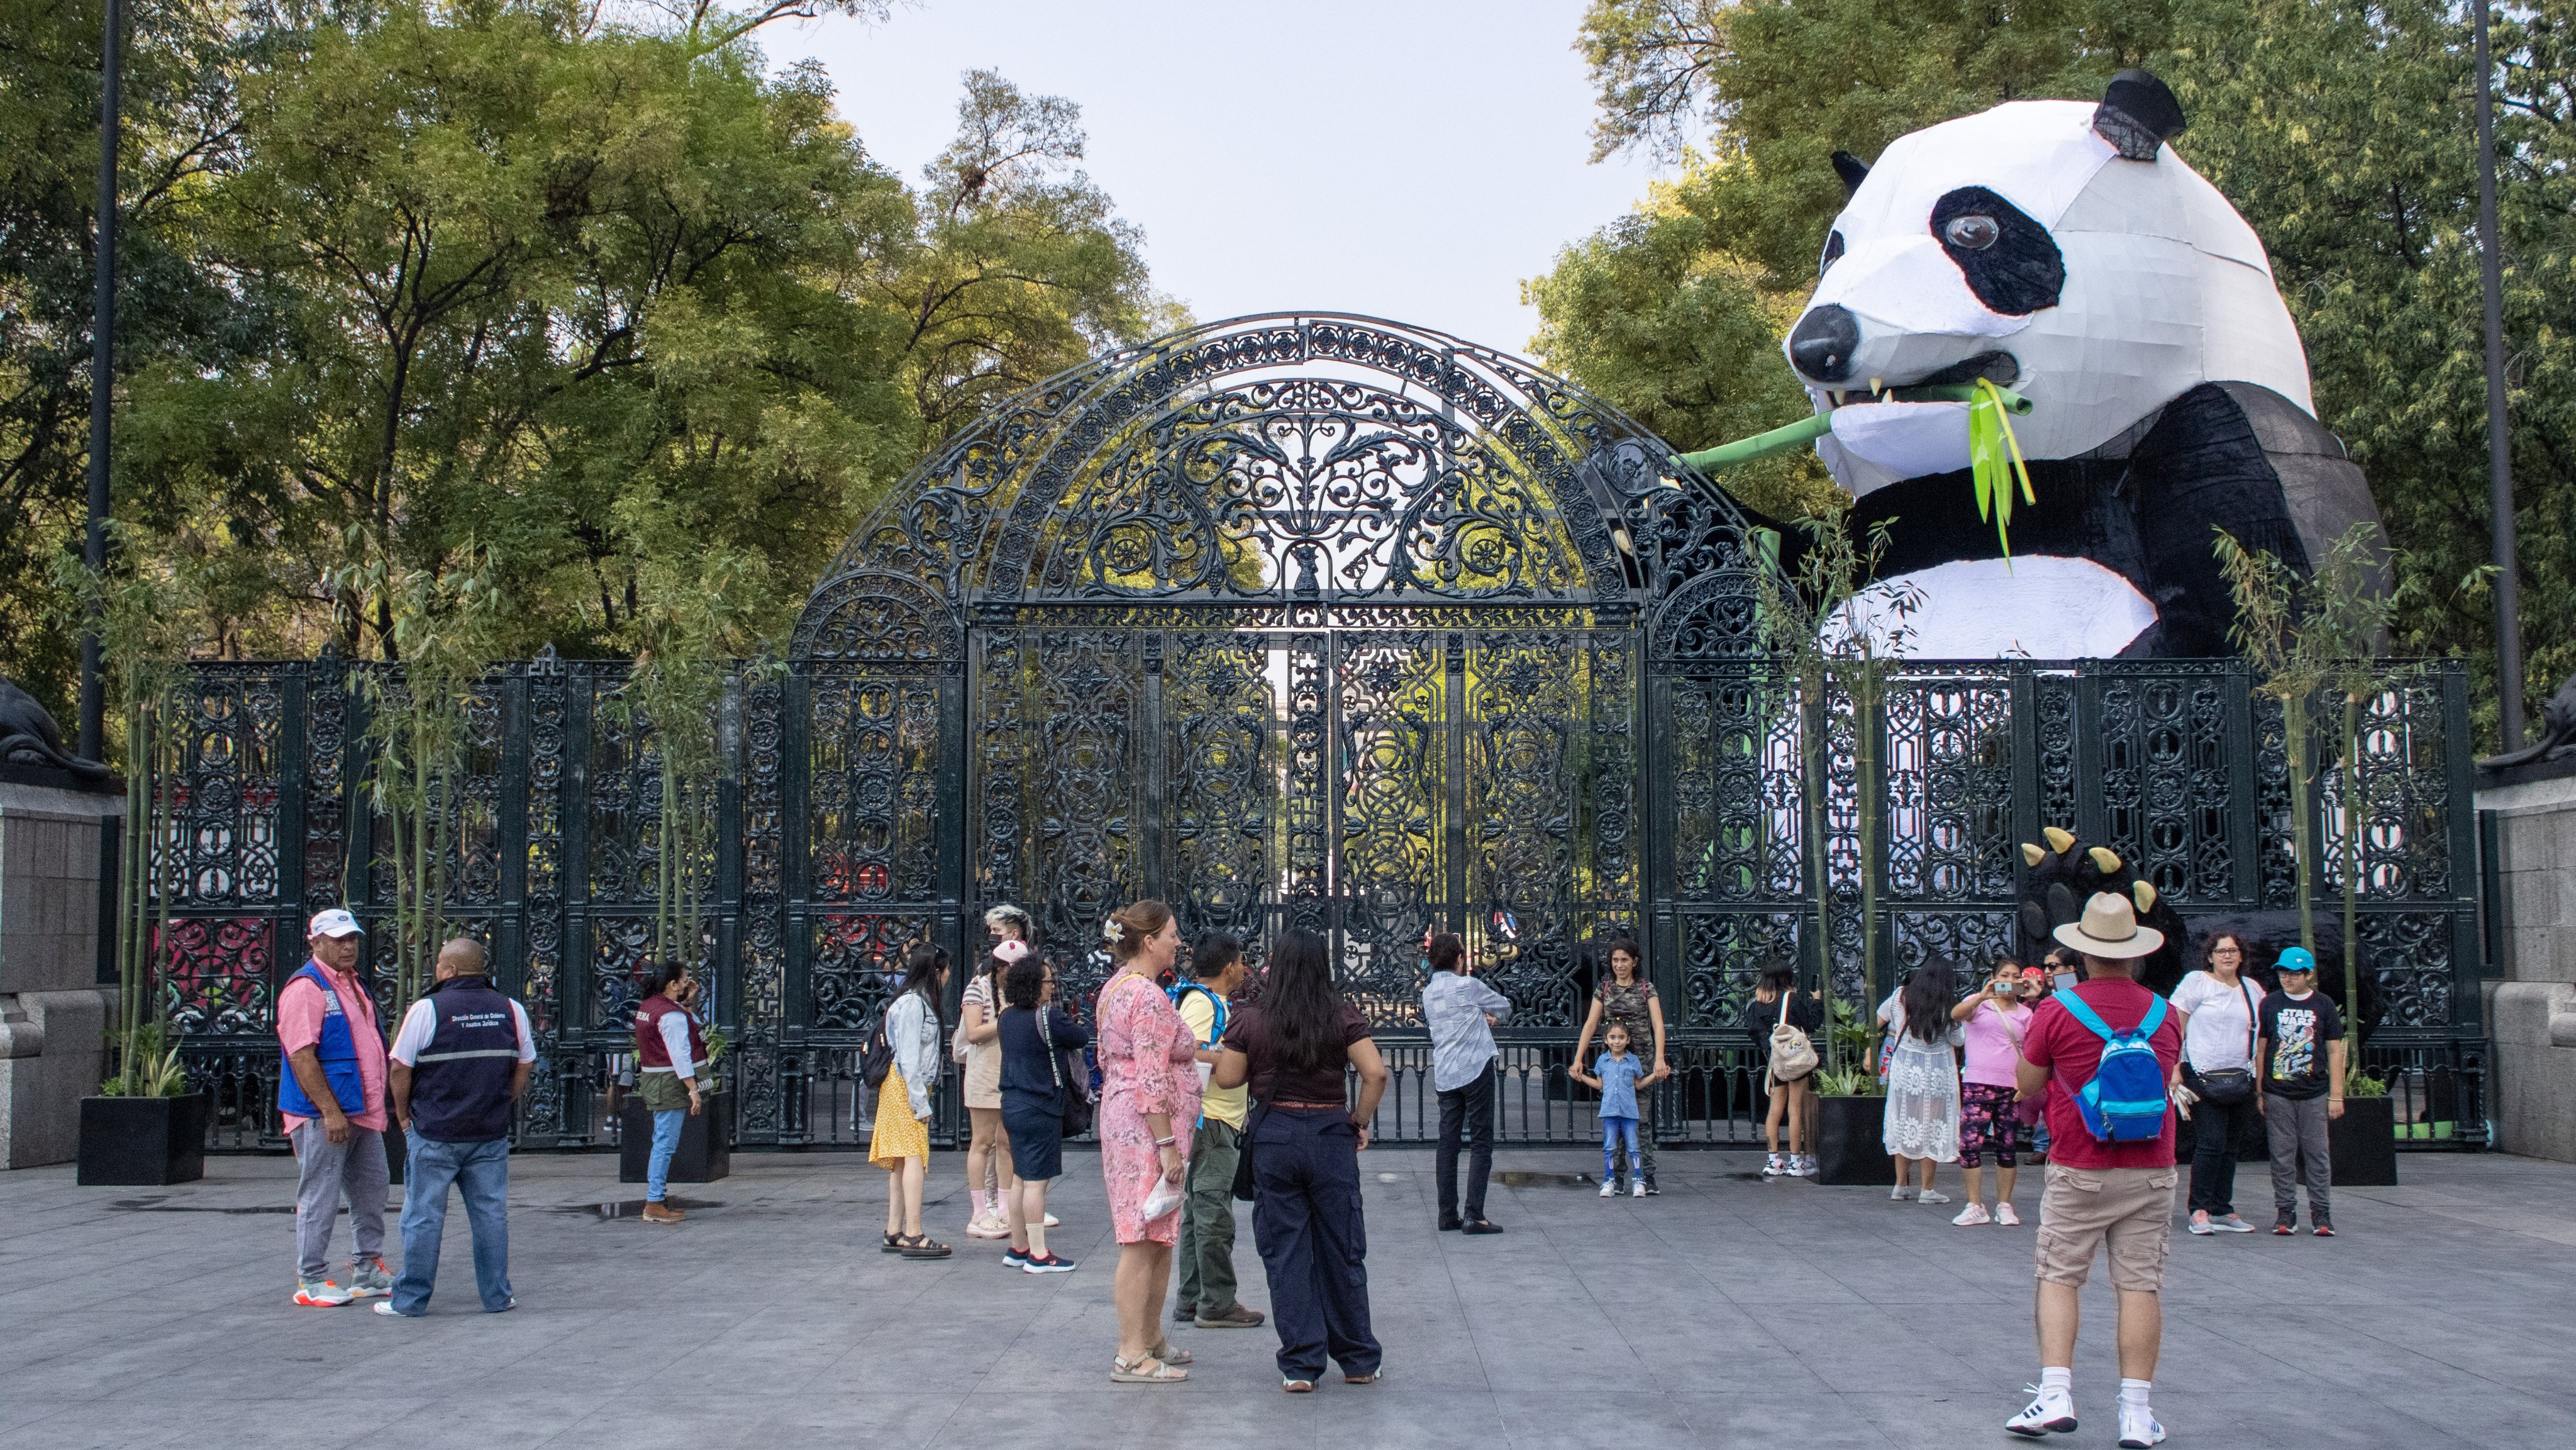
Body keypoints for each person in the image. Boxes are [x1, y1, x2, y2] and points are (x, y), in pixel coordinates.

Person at [2009, 891, 2183, 1447]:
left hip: (2080, 1162)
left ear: (2081, 954)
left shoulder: (2057, 1010)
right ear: (2135, 953)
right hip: (2152, 1164)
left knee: (2060, 1275)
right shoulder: (2167, 1013)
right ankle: (2137, 1412)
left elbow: (2028, 1087)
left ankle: (2056, 1393)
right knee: (2139, 1285)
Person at [1213, 927, 1389, 1393]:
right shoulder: (1341, 1015)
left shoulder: (1252, 1019)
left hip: (1276, 1138)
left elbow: (1229, 1078)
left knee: (1287, 1251)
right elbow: (1375, 1072)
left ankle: (1300, 1363)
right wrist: (1359, 1119)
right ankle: (1357, 1358)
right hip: (1331, 1134)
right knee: (1342, 1247)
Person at [377, 938, 534, 1316]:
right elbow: (526, 1062)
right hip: (489, 1134)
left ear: (448, 970)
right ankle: (497, 1297)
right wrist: (506, 1098)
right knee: (491, 1216)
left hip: (435, 1133)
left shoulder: (428, 1008)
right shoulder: (511, 1009)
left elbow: (399, 1067)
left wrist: (402, 1115)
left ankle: (411, 1301)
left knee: (424, 1217)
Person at [1094, 900, 1202, 1384]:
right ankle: (1131, 1351)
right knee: (1141, 1236)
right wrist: (1166, 1144)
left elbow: (1107, 1057)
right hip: (1146, 1129)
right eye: (1173, 935)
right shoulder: (1149, 997)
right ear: (1149, 941)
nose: (1179, 943)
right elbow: (1153, 1075)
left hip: (1126, 1119)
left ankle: (1150, 1336)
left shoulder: (1114, 989)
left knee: (1156, 1233)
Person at [275, 908, 392, 1307]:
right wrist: (329, 1111)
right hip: (327, 1115)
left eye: (353, 938)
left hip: (359, 1111)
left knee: (372, 1190)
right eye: (340, 939)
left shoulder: (353, 984)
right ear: (316, 942)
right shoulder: (306, 988)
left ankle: (367, 1268)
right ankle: (311, 1278)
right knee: (320, 1194)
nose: (349, 946)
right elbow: (301, 1056)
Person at [1173, 934, 1266, 1327]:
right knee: (1213, 1212)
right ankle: (1217, 1302)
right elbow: (1186, 1050)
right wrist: (1234, 1060)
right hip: (1211, 1120)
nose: (1245, 968)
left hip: (1213, 1117)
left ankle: (1192, 1297)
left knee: (1199, 1211)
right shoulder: (1203, 1003)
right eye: (1242, 962)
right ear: (1229, 967)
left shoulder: (1207, 1001)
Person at [2170, 933, 2267, 1235]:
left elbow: (2259, 1036)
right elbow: (2176, 1029)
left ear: (2241, 956)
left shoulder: (2252, 989)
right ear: (2209, 956)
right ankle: (2199, 1209)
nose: (2227, 956)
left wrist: (2260, 1084)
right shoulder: (2196, 982)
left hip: (2240, 1076)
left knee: (2231, 1146)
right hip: (2201, 1074)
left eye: (2233, 950)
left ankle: (2222, 1208)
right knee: (2211, 1143)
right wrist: (2175, 1071)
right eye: (2220, 951)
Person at [997, 951, 1087, 1272]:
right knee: (1036, 1182)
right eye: (1048, 981)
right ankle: (1038, 1254)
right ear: (1036, 984)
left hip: (1012, 1103)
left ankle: (1018, 1246)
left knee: (1020, 1177)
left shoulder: (1006, 1017)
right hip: (1041, 1104)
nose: (1052, 987)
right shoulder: (1047, 1017)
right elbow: (1080, 1036)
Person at [1421, 932, 1511, 1231]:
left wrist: (1475, 1016)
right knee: (1481, 1141)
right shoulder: (1469, 987)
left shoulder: (1428, 993)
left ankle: (1447, 1214)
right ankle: (1475, 1214)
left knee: (1448, 1142)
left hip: (1446, 1073)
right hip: (1475, 1067)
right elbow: (1504, 1007)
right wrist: (1486, 1015)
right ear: (1460, 958)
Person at [2256, 946, 2346, 1237]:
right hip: (2278, 1090)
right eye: (2283, 973)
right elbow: (2262, 1047)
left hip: (2315, 1092)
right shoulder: (2270, 1004)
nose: (2288, 979)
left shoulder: (2323, 1005)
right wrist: (2260, 1091)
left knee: (2317, 1152)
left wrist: (2337, 1095)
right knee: (2281, 1153)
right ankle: (2285, 1211)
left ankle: (2321, 1213)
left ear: (2309, 975)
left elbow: (2335, 1050)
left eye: (2295, 974)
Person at [1570, 937, 1668, 1192]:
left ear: (1635, 962)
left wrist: (1659, 1058)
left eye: (1625, 960)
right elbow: (1591, 1024)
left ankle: (1647, 1175)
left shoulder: (1646, 988)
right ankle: (1617, 1175)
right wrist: (1579, 1058)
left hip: (1642, 1061)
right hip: (1612, 1063)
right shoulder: (1605, 989)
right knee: (1615, 1116)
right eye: (1615, 960)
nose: (1620, 965)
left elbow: (1658, 1024)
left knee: (1640, 1121)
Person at [871, 944, 950, 1259]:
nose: (947, 977)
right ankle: (914, 1231)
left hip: (900, 1086)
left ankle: (895, 1229)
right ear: (935, 971)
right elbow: (909, 1059)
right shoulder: (915, 1005)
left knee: (902, 1159)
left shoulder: (909, 1002)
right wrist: (921, 1103)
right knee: (914, 1156)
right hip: (906, 1087)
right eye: (945, 971)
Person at [1951, 961, 2039, 1225]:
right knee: (1970, 1144)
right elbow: (1956, 1015)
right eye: (2004, 976)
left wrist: (2036, 998)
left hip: (2011, 1087)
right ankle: (1975, 1204)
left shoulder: (2025, 1013)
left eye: (2015, 977)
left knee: (2007, 1146)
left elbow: (2034, 1050)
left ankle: (2005, 1204)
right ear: (1993, 977)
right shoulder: (1979, 1005)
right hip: (1978, 1083)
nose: (2009, 981)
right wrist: (1982, 995)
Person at [957, 937, 1026, 1241]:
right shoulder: (978, 988)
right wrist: (1007, 1020)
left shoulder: (1019, 992)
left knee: (1006, 1143)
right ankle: (979, 1212)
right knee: (982, 1143)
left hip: (1010, 1074)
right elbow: (973, 1033)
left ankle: (1004, 1210)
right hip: (984, 1075)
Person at [1881, 959, 1963, 1205]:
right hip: (1936, 1071)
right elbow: (1957, 1040)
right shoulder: (1947, 1005)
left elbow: (1883, 1018)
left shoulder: (1900, 995)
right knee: (1932, 1126)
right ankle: (1927, 1189)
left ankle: (1900, 1185)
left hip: (1904, 1068)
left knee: (1904, 1122)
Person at [630, 959, 706, 1227]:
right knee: (665, 1143)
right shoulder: (671, 1016)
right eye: (685, 980)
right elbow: (680, 1054)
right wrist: (693, 1089)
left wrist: (686, 1002)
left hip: (653, 1079)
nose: (688, 983)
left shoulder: (649, 1007)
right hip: (668, 1083)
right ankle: (654, 1201)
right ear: (672, 985)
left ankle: (656, 1199)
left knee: (662, 1141)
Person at [1748, 959, 1823, 1179]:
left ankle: (1773, 1160)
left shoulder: (1757, 1004)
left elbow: (1755, 1032)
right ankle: (1796, 1161)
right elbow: (1811, 1024)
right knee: (1795, 1109)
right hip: (1797, 1061)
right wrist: (1817, 1002)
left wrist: (1770, 1049)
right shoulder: (1792, 999)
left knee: (1775, 1110)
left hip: (1777, 1062)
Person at [1574, 1022, 1648, 1198]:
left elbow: (1638, 1084)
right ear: (1606, 1040)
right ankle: (1609, 1180)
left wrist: (1655, 1076)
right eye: (1613, 1037)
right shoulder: (1603, 1061)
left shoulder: (1633, 1061)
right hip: (1609, 1112)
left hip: (1629, 1112)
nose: (1617, 1042)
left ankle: (1639, 1180)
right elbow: (1600, 1085)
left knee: (1633, 1147)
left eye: (1621, 1037)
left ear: (1628, 1040)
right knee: (1609, 1148)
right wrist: (1581, 1077)